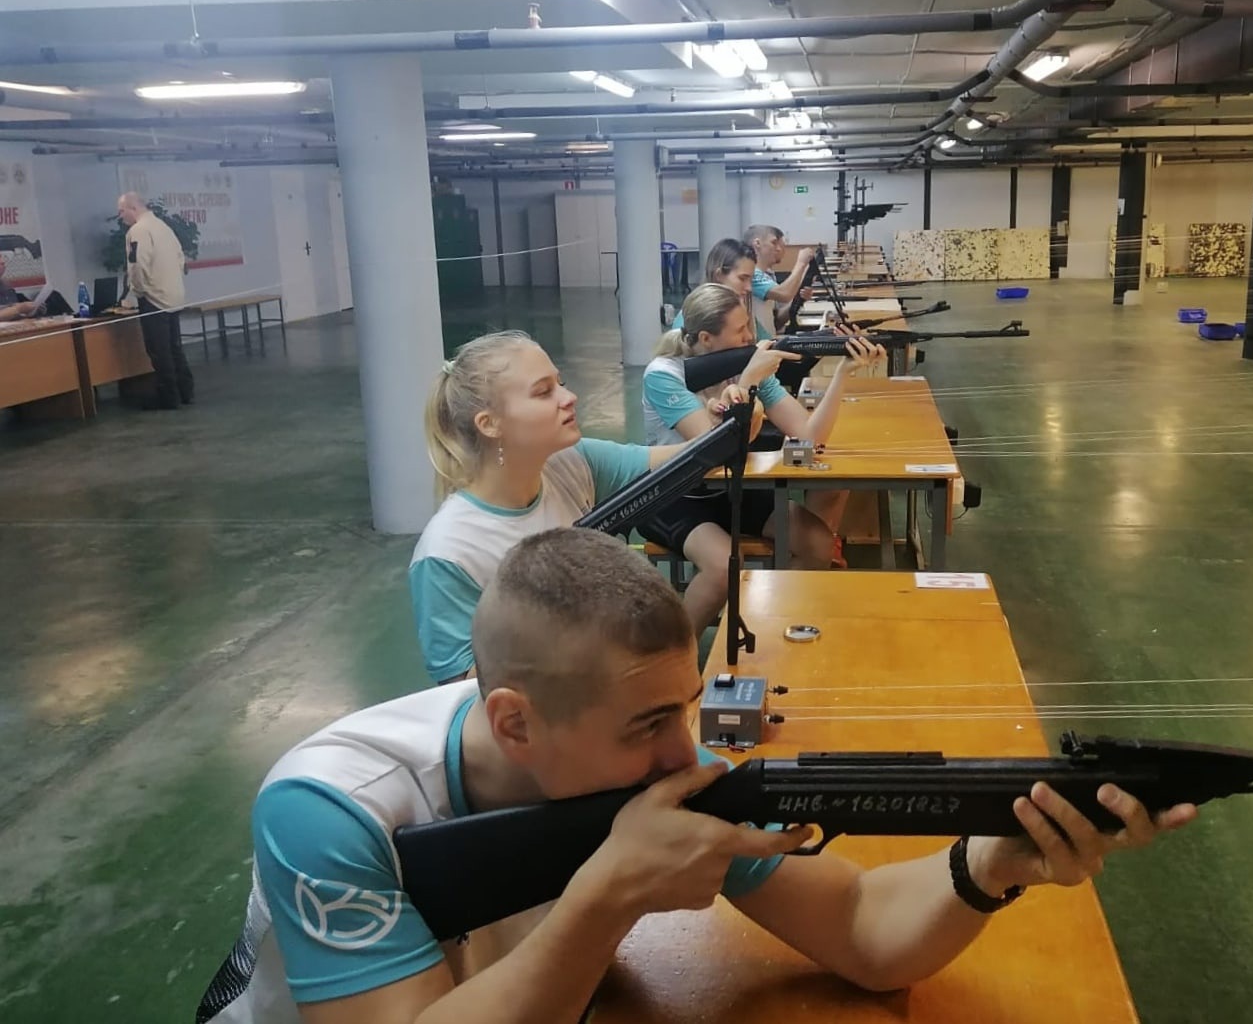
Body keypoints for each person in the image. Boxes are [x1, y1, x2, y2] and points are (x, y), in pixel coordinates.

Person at [198, 528, 1196, 1024]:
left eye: (684, 707)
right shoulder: (328, 807)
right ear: (514, 720)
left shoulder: (652, 774)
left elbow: (861, 932)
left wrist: (989, 863)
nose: (687, 754)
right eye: (647, 724)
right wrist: (606, 898)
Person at [411, 330, 691, 685]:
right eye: (544, 392)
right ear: (489, 424)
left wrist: (734, 420)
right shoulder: (447, 553)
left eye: (561, 384)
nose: (569, 397)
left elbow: (681, 459)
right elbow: (466, 689)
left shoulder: (570, 461)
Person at [641, 283, 884, 635]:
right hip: (674, 495)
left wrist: (842, 374)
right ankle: (677, 658)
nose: (750, 338)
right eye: (741, 330)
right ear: (706, 339)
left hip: (730, 489)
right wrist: (751, 377)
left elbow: (809, 436)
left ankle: (773, 633)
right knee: (724, 566)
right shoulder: (663, 375)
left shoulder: (746, 363)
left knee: (816, 543)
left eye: (749, 326)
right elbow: (711, 448)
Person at [116, 192, 194, 410]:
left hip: (154, 299)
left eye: (121, 211)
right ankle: (186, 391)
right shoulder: (163, 227)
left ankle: (169, 397)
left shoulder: (138, 231)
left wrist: (138, 291)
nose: (120, 216)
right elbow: (180, 259)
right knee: (174, 346)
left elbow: (137, 265)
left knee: (159, 350)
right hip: (174, 295)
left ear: (133, 208)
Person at [668, 237, 771, 339]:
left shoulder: (744, 314)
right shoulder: (690, 319)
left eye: (750, 280)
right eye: (742, 278)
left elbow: (766, 340)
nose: (749, 288)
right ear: (719, 275)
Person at [744, 223, 817, 333]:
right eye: (773, 243)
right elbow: (785, 294)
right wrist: (801, 263)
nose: (778, 249)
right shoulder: (751, 274)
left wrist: (799, 299)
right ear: (757, 243)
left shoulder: (767, 275)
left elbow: (777, 322)